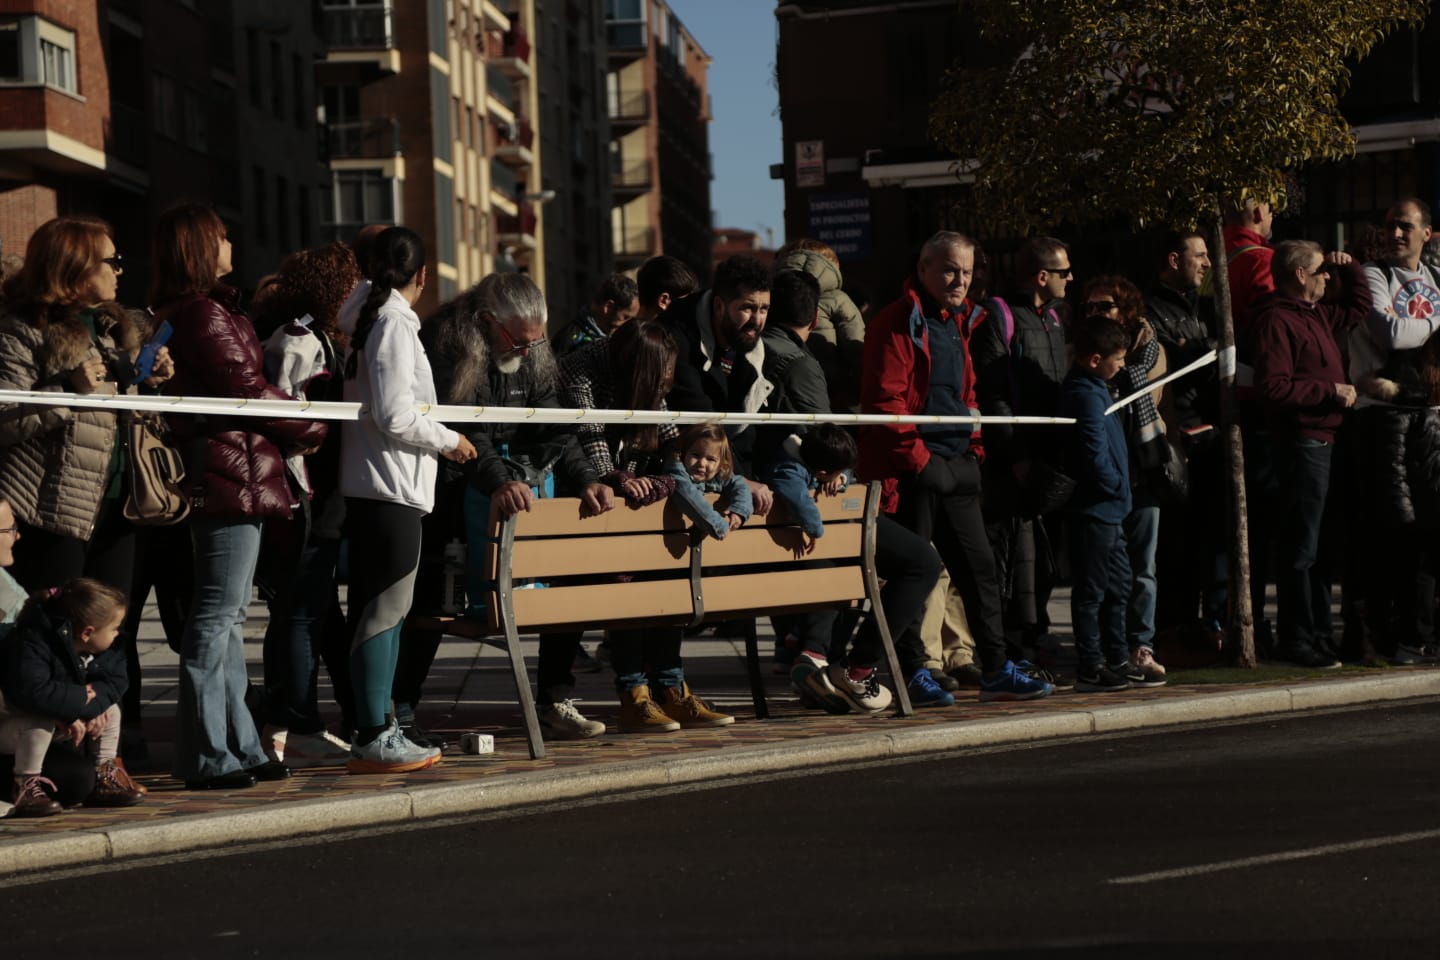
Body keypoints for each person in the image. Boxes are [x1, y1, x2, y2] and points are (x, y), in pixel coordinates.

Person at [398, 272, 613, 743]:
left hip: (512, 489)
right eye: (518, 341)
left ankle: (555, 697)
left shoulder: (531, 351)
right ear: (487, 321)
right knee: (435, 603)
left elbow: (553, 426)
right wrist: (498, 480)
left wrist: (587, 479)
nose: (526, 351)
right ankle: (402, 709)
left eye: (534, 344)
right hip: (453, 495)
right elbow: (465, 429)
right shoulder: (452, 344)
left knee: (565, 585)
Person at [154, 203, 327, 789]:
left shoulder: (196, 310)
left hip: (231, 471)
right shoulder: (204, 312)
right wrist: (312, 425)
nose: (231, 246)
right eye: (222, 238)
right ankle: (210, 754)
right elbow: (246, 388)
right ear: (202, 248)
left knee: (226, 618)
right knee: (217, 616)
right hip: (230, 473)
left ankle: (241, 746)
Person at [858, 230, 1051, 703]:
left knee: (980, 572)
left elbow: (966, 395)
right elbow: (887, 403)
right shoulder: (900, 320)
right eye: (949, 268)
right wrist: (921, 461)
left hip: (957, 463)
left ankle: (996, 665)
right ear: (922, 269)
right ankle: (912, 671)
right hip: (914, 468)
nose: (959, 279)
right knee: (915, 573)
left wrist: (975, 446)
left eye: (966, 271)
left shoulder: (962, 320)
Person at [341, 226, 476, 773]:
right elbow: (396, 413)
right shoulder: (393, 322)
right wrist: (449, 440)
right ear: (422, 275)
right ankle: (375, 732)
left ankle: (378, 726)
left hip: (379, 484)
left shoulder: (366, 315)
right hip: (390, 485)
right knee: (385, 612)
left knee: (382, 611)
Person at [558, 317, 732, 733]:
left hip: (641, 502)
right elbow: (589, 436)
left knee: (666, 590)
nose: (663, 387)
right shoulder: (580, 370)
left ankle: (671, 690)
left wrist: (670, 475)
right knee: (625, 598)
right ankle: (634, 696)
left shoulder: (650, 380)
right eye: (658, 380)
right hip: (593, 506)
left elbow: (672, 437)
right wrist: (619, 480)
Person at [253, 242, 363, 765]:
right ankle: (299, 723)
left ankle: (290, 720)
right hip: (306, 497)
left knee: (309, 613)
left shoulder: (323, 337)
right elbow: (282, 414)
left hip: (323, 495)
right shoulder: (299, 340)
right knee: (300, 614)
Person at [1250, 240, 1371, 669]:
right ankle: (1296, 638)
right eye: (1321, 270)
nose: (1327, 277)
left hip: (1327, 441)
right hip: (1302, 443)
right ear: (1299, 275)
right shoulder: (1278, 321)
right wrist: (1329, 391)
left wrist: (1350, 265)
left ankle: (1319, 634)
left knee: (1321, 547)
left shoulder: (1317, 314)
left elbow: (1359, 308)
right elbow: (1274, 386)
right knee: (1301, 546)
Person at [772, 424, 950, 712]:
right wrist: (816, 527)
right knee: (857, 569)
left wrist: (841, 480)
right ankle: (847, 668)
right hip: (825, 539)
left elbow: (839, 476)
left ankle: (821, 658)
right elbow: (792, 487)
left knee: (910, 564)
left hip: (831, 538)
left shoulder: (810, 459)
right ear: (819, 472)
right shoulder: (791, 469)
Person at [970, 237, 1074, 661]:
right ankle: (1012, 642)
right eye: (1065, 272)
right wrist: (1015, 456)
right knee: (1011, 556)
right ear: (1043, 276)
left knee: (1044, 557)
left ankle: (1034, 631)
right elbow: (994, 394)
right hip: (1014, 461)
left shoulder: (1053, 319)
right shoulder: (1002, 317)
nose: (1072, 279)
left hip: (1052, 459)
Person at [1348, 198, 1440, 664]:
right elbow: (1390, 335)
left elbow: (1410, 332)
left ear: (1427, 232)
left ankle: (1421, 632)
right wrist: (1437, 324)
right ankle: (1389, 635)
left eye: (1405, 226)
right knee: (1394, 532)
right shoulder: (1372, 276)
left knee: (1428, 532)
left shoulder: (1434, 278)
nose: (1395, 234)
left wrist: (1417, 326)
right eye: (1389, 226)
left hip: (1427, 418)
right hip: (1380, 419)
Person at [1081, 278, 1168, 687]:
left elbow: (1154, 395)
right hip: (1110, 488)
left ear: (1126, 310)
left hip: (1141, 473)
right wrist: (1114, 482)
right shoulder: (1087, 374)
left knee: (1141, 569)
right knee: (1104, 580)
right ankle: (1106, 655)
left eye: (1105, 306)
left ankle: (1138, 647)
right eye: (1090, 308)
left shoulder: (1149, 351)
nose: (1096, 314)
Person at [1, 578, 145, 816]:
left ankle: (104, 773)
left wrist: (90, 708)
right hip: (14, 725)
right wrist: (76, 704)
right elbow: (32, 691)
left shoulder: (103, 650)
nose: (118, 634)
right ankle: (25, 785)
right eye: (114, 628)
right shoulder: (34, 640)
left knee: (111, 710)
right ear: (88, 632)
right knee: (38, 723)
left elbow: (113, 684)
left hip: (62, 720)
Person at [1146, 231, 1225, 643]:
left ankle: (1197, 620)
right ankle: (1172, 624)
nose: (1208, 263)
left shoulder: (1205, 307)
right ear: (1174, 260)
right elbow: (1167, 364)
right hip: (1179, 437)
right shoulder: (1152, 310)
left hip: (1209, 437)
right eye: (1200, 255)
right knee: (1175, 541)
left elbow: (1213, 353)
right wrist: (1197, 352)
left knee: (1203, 539)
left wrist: (1198, 347)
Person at [1060, 316, 1137, 692]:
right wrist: (1115, 484)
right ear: (1094, 359)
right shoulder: (1086, 394)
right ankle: (1091, 665)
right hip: (1096, 509)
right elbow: (1094, 453)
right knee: (1091, 592)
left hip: (1112, 508)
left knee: (1119, 586)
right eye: (1118, 359)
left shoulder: (1098, 388)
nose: (1122, 366)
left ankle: (1118, 657)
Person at [772, 239, 866, 410]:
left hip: (776, 391)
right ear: (831, 265)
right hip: (834, 397)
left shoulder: (772, 293)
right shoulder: (839, 300)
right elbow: (857, 351)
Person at [662, 423, 754, 539]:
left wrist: (739, 511)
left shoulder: (718, 474)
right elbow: (689, 495)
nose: (702, 463)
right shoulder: (677, 470)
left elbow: (739, 484)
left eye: (710, 459)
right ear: (684, 453)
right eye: (696, 455)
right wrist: (718, 525)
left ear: (721, 463)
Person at [553, 272, 640, 355]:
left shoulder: (622, 340)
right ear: (608, 307)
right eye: (626, 317)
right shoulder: (569, 341)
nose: (630, 324)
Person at [635, 255, 699, 323]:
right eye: (686, 302)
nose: (690, 308)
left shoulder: (628, 331)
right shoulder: (665, 332)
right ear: (663, 301)